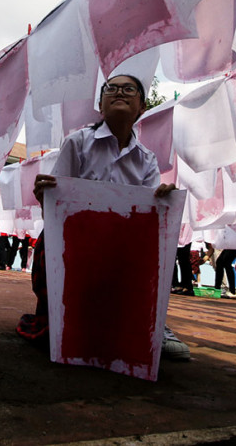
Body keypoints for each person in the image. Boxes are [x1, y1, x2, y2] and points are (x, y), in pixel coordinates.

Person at [17, 74, 187, 360]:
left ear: (142, 106)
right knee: (69, 329)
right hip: (75, 246)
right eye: (111, 89)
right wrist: (45, 195)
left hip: (120, 248)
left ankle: (151, 322)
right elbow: (55, 213)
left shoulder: (146, 159)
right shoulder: (77, 143)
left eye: (129, 89)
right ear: (100, 105)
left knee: (154, 249)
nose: (119, 92)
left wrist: (162, 198)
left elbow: (146, 219)